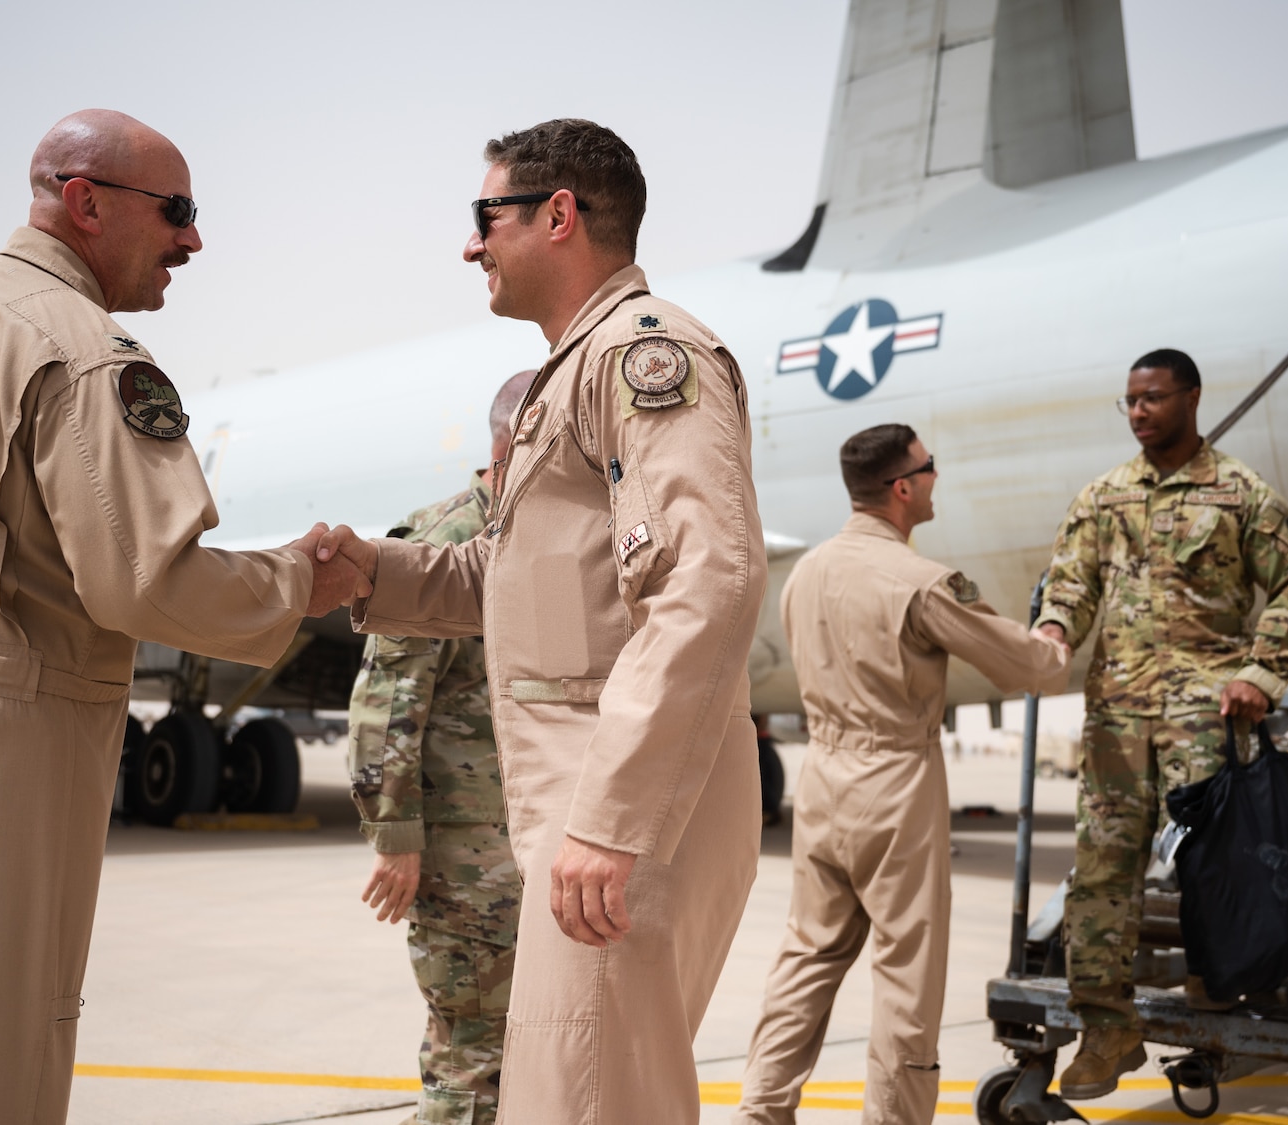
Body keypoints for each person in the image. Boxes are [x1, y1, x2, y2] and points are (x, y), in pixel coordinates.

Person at [0, 109, 361, 1124]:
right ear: (85, 203)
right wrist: (295, 586)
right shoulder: (86, 352)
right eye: (175, 211)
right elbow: (146, 584)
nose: (192, 239)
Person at [315, 118, 765, 1125]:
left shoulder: (644, 354)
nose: (469, 244)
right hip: (595, 794)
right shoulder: (575, 368)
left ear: (557, 216)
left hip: (616, 800)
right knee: (582, 1092)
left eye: (485, 216)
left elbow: (707, 580)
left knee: (585, 1099)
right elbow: (514, 582)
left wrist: (612, 820)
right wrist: (370, 572)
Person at [733, 424, 1072, 1125]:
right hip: (895, 782)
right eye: (930, 467)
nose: (935, 477)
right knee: (906, 980)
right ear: (904, 487)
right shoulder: (922, 583)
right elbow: (1024, 666)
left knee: (806, 960)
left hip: (824, 779)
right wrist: (1056, 633)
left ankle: (759, 1113)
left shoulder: (805, 574)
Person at [1032, 348, 1288, 1099]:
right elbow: (1069, 583)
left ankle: (1217, 987)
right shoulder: (1104, 497)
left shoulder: (1240, 493)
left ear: (1191, 397)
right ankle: (1106, 1027)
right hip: (1117, 716)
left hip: (1203, 713)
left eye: (1152, 398)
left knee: (1212, 862)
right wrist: (1056, 629)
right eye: (1129, 400)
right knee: (1102, 867)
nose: (1138, 412)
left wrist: (1261, 672)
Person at [349, 369, 536, 1125]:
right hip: (465, 851)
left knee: (528, 1054)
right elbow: (390, 693)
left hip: (525, 840)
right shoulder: (451, 536)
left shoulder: (537, 538)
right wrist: (395, 835)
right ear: (515, 443)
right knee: (471, 1059)